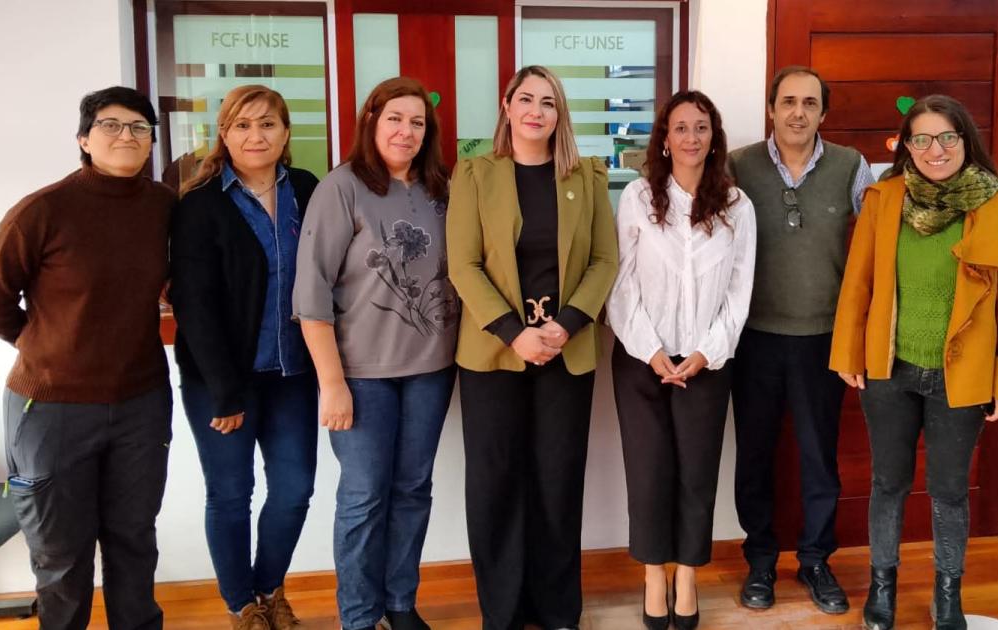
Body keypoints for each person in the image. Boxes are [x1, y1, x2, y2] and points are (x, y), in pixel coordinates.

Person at [830, 94, 998, 630]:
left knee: (947, 491)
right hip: (890, 371)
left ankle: (948, 594)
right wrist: (849, 352)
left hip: (960, 377)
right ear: (906, 146)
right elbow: (858, 284)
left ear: (965, 141)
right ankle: (883, 586)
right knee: (888, 483)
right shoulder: (884, 199)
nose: (934, 149)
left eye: (947, 137)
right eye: (921, 138)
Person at [0, 86, 175, 630]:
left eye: (140, 127)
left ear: (151, 143)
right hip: (51, 409)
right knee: (61, 553)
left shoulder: (164, 206)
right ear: (84, 139)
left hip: (140, 402)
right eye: (112, 125)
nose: (126, 136)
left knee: (134, 540)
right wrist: (45, 347)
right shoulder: (42, 211)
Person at [446, 65, 618, 630]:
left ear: (559, 113)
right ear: (506, 104)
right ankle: (502, 610)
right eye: (526, 99)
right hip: (494, 355)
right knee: (495, 482)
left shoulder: (587, 177)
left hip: (565, 351)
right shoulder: (474, 174)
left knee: (557, 480)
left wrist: (564, 326)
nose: (536, 111)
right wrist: (514, 333)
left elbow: (604, 261)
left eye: (548, 102)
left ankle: (557, 608)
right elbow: (463, 265)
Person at [293, 77, 458, 630]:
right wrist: (332, 383)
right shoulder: (342, 187)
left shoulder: (440, 189)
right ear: (371, 121)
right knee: (364, 500)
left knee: (413, 490)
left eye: (417, 122)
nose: (405, 131)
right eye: (395, 118)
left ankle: (399, 604)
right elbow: (311, 292)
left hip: (431, 369)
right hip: (361, 376)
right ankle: (359, 618)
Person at [170, 84, 320, 630]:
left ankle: (268, 588)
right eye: (242, 125)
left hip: (292, 374)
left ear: (285, 133)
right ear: (225, 134)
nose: (256, 136)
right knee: (232, 495)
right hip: (222, 378)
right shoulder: (200, 203)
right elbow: (195, 302)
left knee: (295, 489)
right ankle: (241, 607)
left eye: (268, 124)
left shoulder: (306, 189)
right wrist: (226, 391)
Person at [727, 65, 874, 614]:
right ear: (771, 109)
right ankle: (760, 561)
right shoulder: (737, 165)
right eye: (787, 101)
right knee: (755, 456)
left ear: (824, 113)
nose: (797, 113)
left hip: (823, 339)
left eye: (809, 103)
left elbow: (879, 239)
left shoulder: (851, 167)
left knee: (819, 457)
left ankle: (815, 559)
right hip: (754, 337)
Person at [607, 90, 756, 630]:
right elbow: (620, 285)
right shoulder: (639, 199)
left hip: (706, 362)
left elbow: (740, 294)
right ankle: (653, 575)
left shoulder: (738, 206)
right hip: (639, 358)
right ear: (664, 140)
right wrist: (650, 351)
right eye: (680, 129)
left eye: (701, 127)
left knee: (697, 471)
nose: (691, 138)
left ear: (713, 136)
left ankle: (688, 576)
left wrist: (705, 352)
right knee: (648, 472)